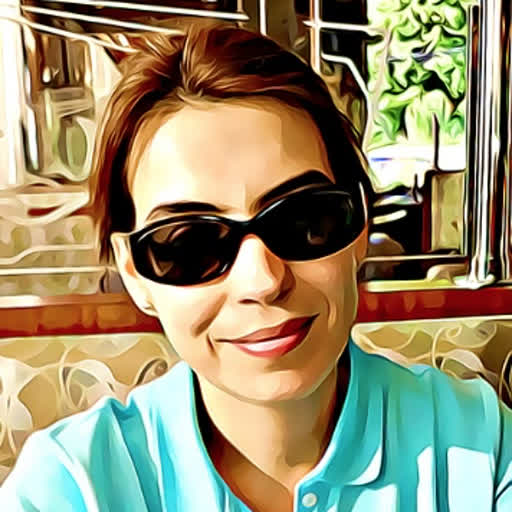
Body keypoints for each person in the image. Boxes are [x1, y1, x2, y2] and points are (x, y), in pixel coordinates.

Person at [2, 19, 512, 512]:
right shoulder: (74, 486)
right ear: (134, 273)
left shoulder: (478, 447)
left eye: (305, 220)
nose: (263, 280)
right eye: (190, 244)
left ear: (359, 226)